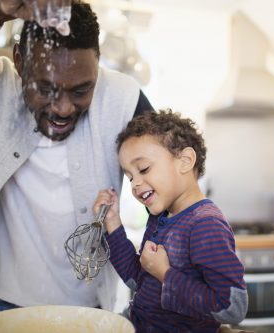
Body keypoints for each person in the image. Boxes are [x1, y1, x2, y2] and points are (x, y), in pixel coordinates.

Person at [0, 0, 153, 320]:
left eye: (82, 90)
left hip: (91, 313)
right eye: (45, 88)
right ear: (18, 61)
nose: (63, 109)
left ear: (97, 65)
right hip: (3, 308)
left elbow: (170, 184)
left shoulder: (123, 100)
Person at [93, 110, 248, 333]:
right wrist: (112, 221)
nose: (135, 184)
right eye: (130, 177)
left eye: (143, 169)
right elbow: (139, 279)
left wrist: (166, 274)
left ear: (185, 161)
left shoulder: (206, 226)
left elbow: (231, 308)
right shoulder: (160, 218)